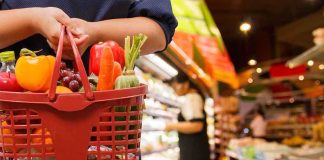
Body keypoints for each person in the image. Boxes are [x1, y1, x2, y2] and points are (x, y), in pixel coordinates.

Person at [0, 0, 177, 65]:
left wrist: (95, 32)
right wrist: (32, 20)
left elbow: (158, 31)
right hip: (16, 118)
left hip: (105, 117)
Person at [165, 72, 210, 160]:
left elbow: (197, 125)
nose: (175, 91)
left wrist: (171, 125)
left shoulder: (192, 98)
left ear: (185, 84)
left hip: (194, 152)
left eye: (175, 87)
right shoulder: (194, 96)